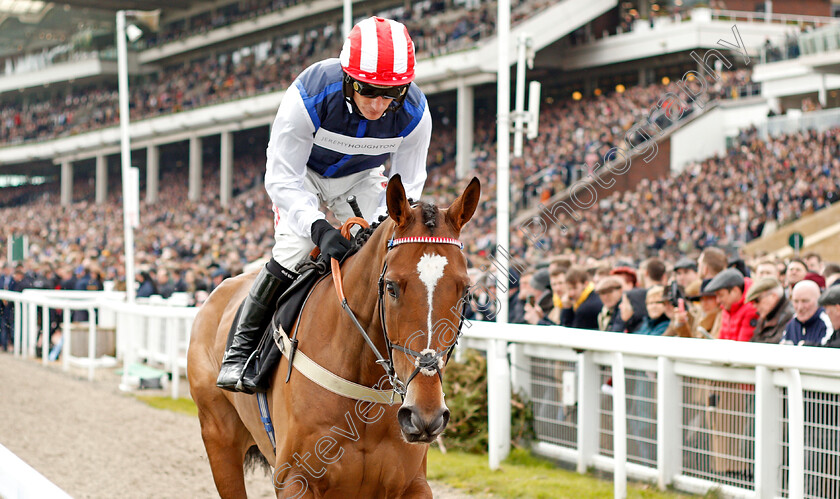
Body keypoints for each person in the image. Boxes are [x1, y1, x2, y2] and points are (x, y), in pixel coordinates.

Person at [217, 17, 432, 393]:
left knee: (388, 250)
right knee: (296, 248)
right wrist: (320, 228)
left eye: (391, 94)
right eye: (368, 90)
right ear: (349, 79)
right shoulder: (308, 95)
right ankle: (240, 351)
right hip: (304, 176)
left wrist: (384, 224)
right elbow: (281, 178)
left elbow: (409, 185)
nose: (379, 104)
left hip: (362, 177)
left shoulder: (415, 112)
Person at [704, 268, 758, 342]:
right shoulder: (726, 309)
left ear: (735, 291)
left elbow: (743, 345)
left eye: (721, 295)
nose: (718, 300)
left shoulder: (751, 310)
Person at [781, 280, 834, 347]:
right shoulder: (791, 323)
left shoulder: (828, 323)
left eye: (805, 301)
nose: (800, 307)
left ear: (818, 300)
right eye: (796, 301)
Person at [744, 277, 793, 344]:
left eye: (757, 300)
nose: (754, 306)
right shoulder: (766, 316)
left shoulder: (789, 316)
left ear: (773, 297)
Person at [559, 266, 602, 330]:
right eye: (569, 289)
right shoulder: (593, 296)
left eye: (575, 288)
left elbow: (568, 332)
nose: (571, 293)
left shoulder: (585, 308)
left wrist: (566, 309)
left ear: (585, 284)